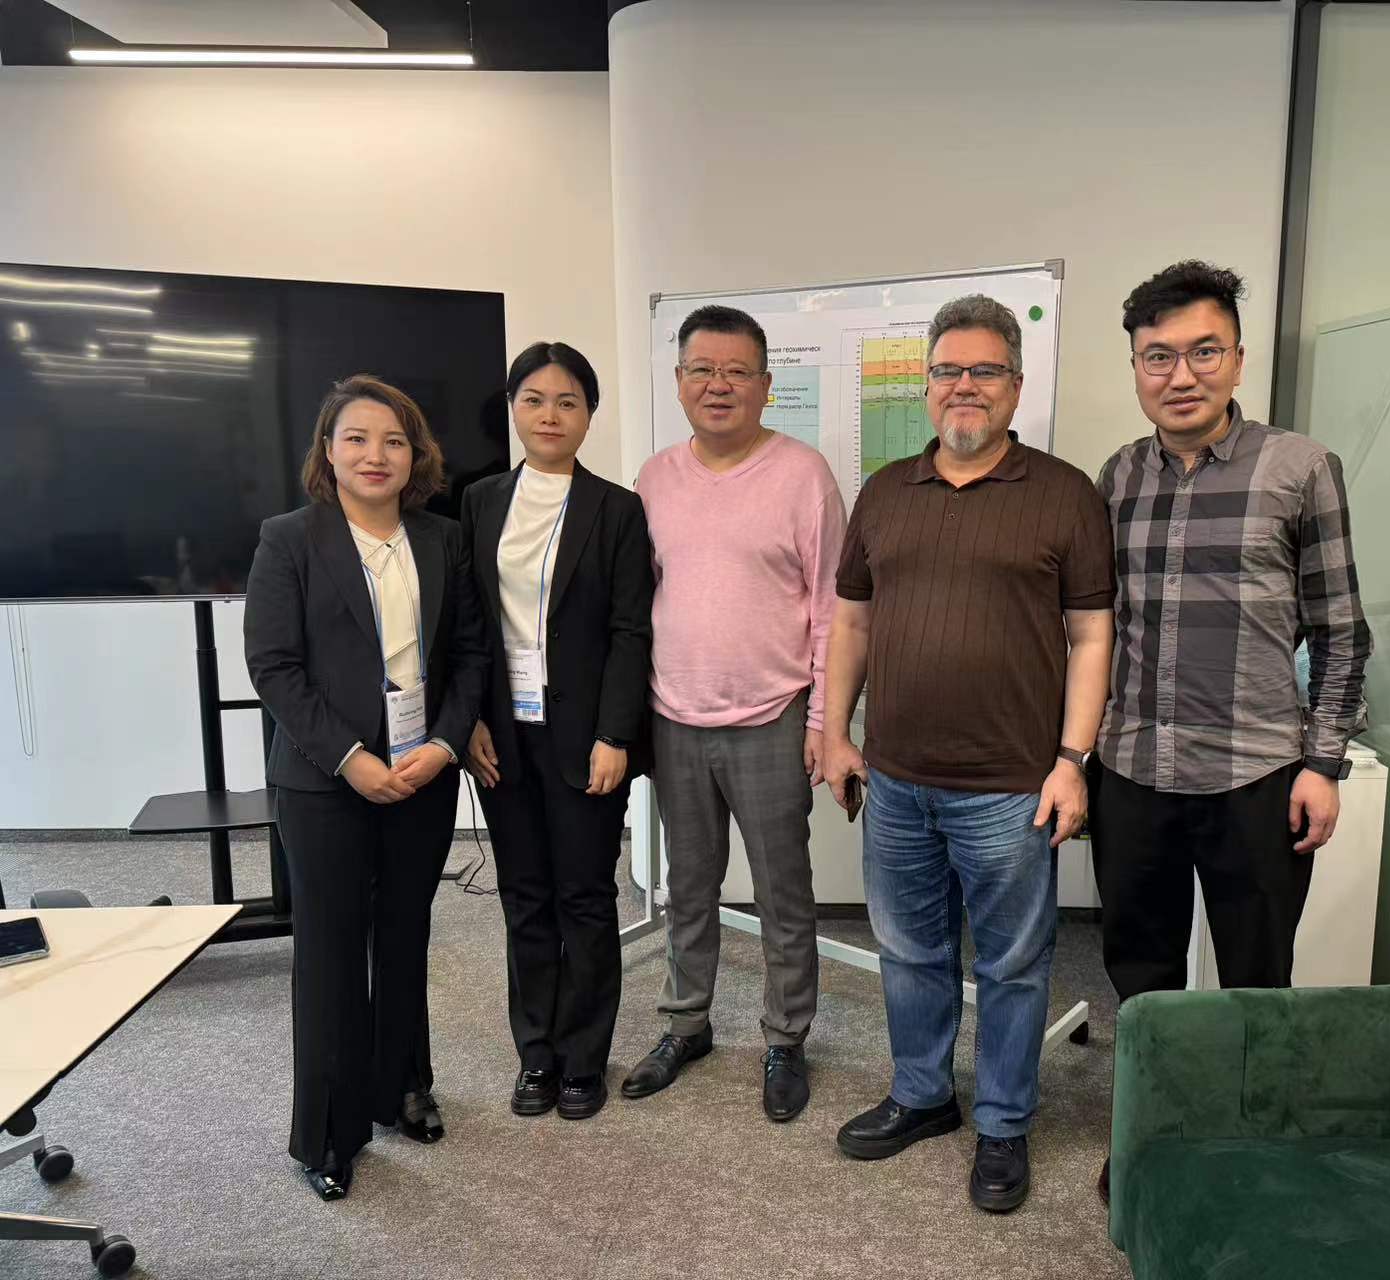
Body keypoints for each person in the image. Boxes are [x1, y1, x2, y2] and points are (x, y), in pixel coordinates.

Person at [823, 294, 1116, 1213]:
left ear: (1015, 386)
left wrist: (1072, 759)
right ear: (925, 385)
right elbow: (851, 622)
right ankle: (922, 1096)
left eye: (983, 370)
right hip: (896, 778)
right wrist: (833, 733)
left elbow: (1091, 637)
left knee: (1012, 965)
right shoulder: (884, 492)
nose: (963, 386)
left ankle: (1002, 1123)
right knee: (908, 951)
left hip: (1010, 785)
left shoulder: (1064, 493)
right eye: (947, 370)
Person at [1088, 261, 1372, 1200]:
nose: (1181, 375)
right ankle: (1152, 1130)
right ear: (1136, 368)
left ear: (1238, 359)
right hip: (1132, 769)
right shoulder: (1116, 478)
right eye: (1157, 356)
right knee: (1142, 974)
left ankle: (1250, 1146)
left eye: (1202, 352)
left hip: (1256, 772)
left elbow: (1340, 630)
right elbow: (1094, 629)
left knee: (1255, 976)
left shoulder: (1299, 468)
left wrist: (1322, 762)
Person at [245, 375, 486, 1201]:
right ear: (328, 450)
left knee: (405, 934)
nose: (375, 454)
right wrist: (349, 757)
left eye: (393, 440)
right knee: (331, 949)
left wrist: (445, 744)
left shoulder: (442, 539)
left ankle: (402, 1087)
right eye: (356, 438)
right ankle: (328, 1131)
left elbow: (470, 654)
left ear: (415, 455)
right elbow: (273, 666)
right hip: (324, 781)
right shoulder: (289, 539)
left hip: (422, 772)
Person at [622, 305, 845, 1123]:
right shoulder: (653, 479)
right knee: (686, 886)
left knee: (784, 892)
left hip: (773, 716)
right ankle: (687, 1024)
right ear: (680, 380)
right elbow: (637, 603)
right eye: (702, 370)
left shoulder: (804, 475)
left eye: (736, 371)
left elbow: (832, 609)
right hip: (673, 716)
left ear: (765, 384)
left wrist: (823, 722)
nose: (718, 385)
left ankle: (785, 1037)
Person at [460, 341, 653, 1122]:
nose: (549, 415)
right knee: (524, 895)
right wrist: (468, 719)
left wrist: (616, 734)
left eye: (567, 401)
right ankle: (535, 1055)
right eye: (534, 399)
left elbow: (630, 630)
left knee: (584, 895)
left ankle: (583, 1058)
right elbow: (467, 624)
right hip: (502, 733)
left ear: (588, 415)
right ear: (512, 408)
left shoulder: (616, 509)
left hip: (584, 736)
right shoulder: (479, 502)